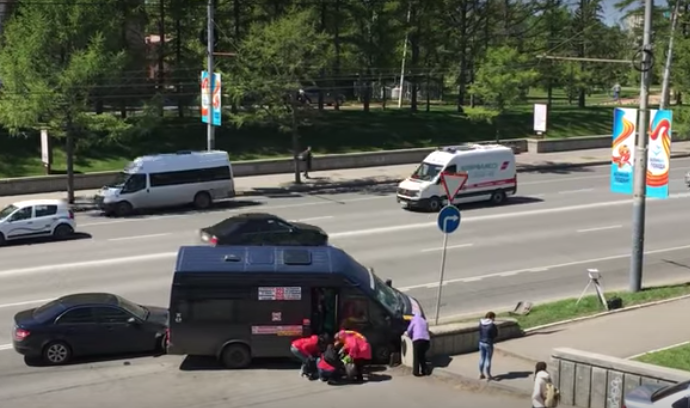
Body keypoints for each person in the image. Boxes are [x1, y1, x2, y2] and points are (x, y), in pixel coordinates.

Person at [406, 311, 431, 377]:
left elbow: (409, 330)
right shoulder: (424, 321)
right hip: (426, 340)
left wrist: (410, 336)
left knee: (416, 356)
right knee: (422, 356)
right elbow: (427, 330)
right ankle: (425, 370)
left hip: (417, 340)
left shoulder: (414, 320)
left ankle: (416, 372)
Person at [478, 311, 498, 380]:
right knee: (488, 359)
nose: (494, 319)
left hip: (481, 342)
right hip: (488, 343)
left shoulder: (481, 323)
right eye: (494, 317)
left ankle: (481, 374)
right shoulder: (492, 325)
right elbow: (495, 334)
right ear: (492, 317)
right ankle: (488, 375)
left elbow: (480, 331)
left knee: (482, 358)